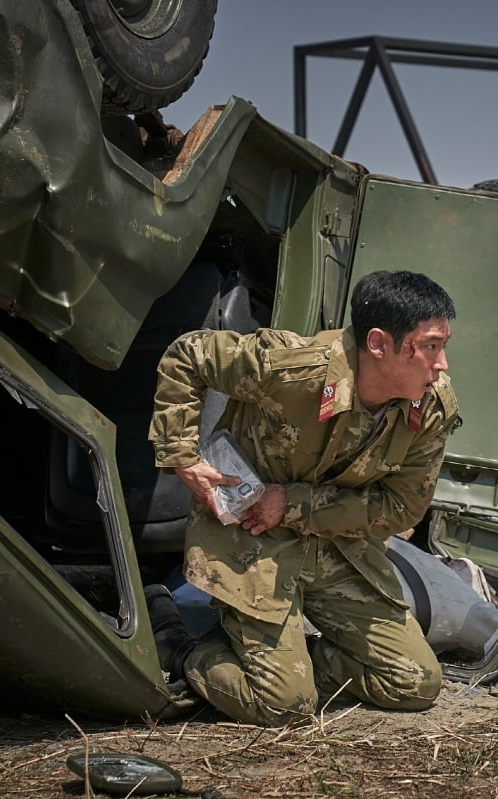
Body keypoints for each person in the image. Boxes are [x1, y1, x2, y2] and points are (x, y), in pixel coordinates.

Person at [146, 270, 458, 726]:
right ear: (378, 343)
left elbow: (402, 509)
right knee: (285, 707)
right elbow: (188, 355)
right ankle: (180, 647)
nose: (443, 363)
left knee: (414, 683)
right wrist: (181, 456)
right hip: (252, 543)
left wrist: (292, 503)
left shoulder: (430, 406)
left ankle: (285, 665)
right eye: (429, 346)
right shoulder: (292, 366)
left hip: (338, 549)